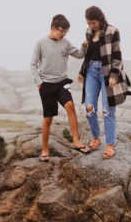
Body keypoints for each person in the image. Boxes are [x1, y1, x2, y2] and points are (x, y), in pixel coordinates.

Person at [31, 14, 91, 162]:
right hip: (46, 85)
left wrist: (84, 46)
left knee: (70, 106)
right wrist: (39, 83)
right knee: (48, 118)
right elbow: (33, 64)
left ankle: (76, 142)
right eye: (61, 31)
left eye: (66, 32)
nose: (63, 34)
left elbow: (78, 55)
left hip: (62, 82)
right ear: (53, 28)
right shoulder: (41, 43)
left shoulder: (65, 43)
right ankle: (45, 150)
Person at [78, 6, 131, 159]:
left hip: (107, 73)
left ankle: (110, 145)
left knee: (107, 110)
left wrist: (114, 75)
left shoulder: (112, 31)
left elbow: (117, 55)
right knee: (89, 108)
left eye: (93, 23)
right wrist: (81, 71)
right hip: (91, 71)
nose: (91, 26)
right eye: (88, 23)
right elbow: (88, 55)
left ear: (100, 19)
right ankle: (96, 137)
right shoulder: (88, 32)